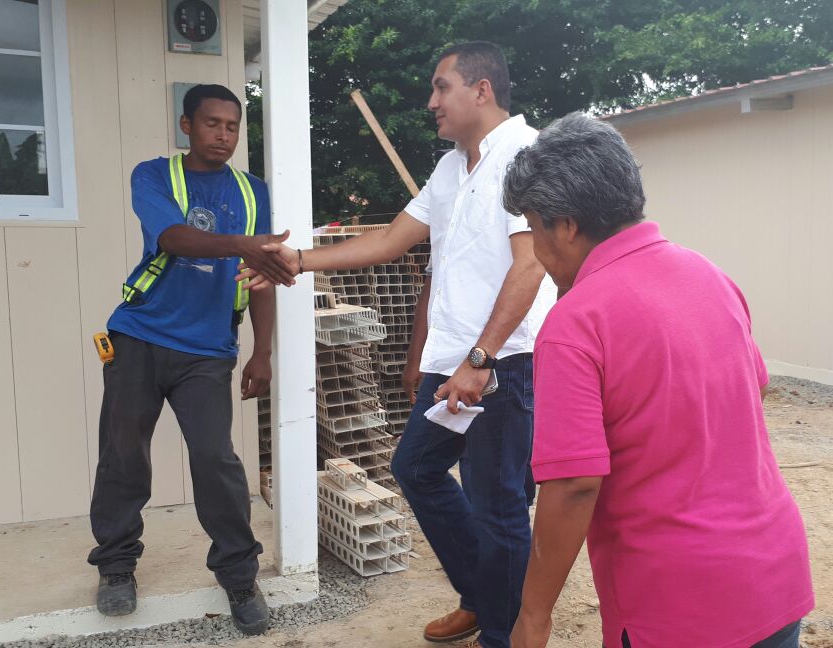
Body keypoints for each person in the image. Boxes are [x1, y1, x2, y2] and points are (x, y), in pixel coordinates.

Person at [245, 41, 555, 648]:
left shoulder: (527, 155)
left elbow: (531, 265)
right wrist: (298, 260)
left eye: (441, 87)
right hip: (453, 360)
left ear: (481, 90)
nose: (431, 102)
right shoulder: (450, 167)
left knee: (498, 507)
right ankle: (483, 596)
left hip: (502, 362)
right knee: (415, 468)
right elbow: (391, 240)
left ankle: (503, 633)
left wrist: (481, 358)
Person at [502, 113, 814, 648]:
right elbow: (752, 387)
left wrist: (534, 616)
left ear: (566, 225)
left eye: (534, 228)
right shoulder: (709, 274)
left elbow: (574, 485)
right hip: (774, 573)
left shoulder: (576, 321)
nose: (536, 250)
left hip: (678, 604)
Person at [88, 84, 296, 637]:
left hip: (207, 350)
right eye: (211, 123)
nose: (223, 135)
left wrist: (262, 353)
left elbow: (262, 276)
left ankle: (239, 577)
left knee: (215, 459)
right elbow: (174, 238)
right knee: (123, 454)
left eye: (232, 126)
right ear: (187, 125)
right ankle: (115, 566)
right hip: (140, 336)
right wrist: (243, 244)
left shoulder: (253, 191)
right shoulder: (154, 175)